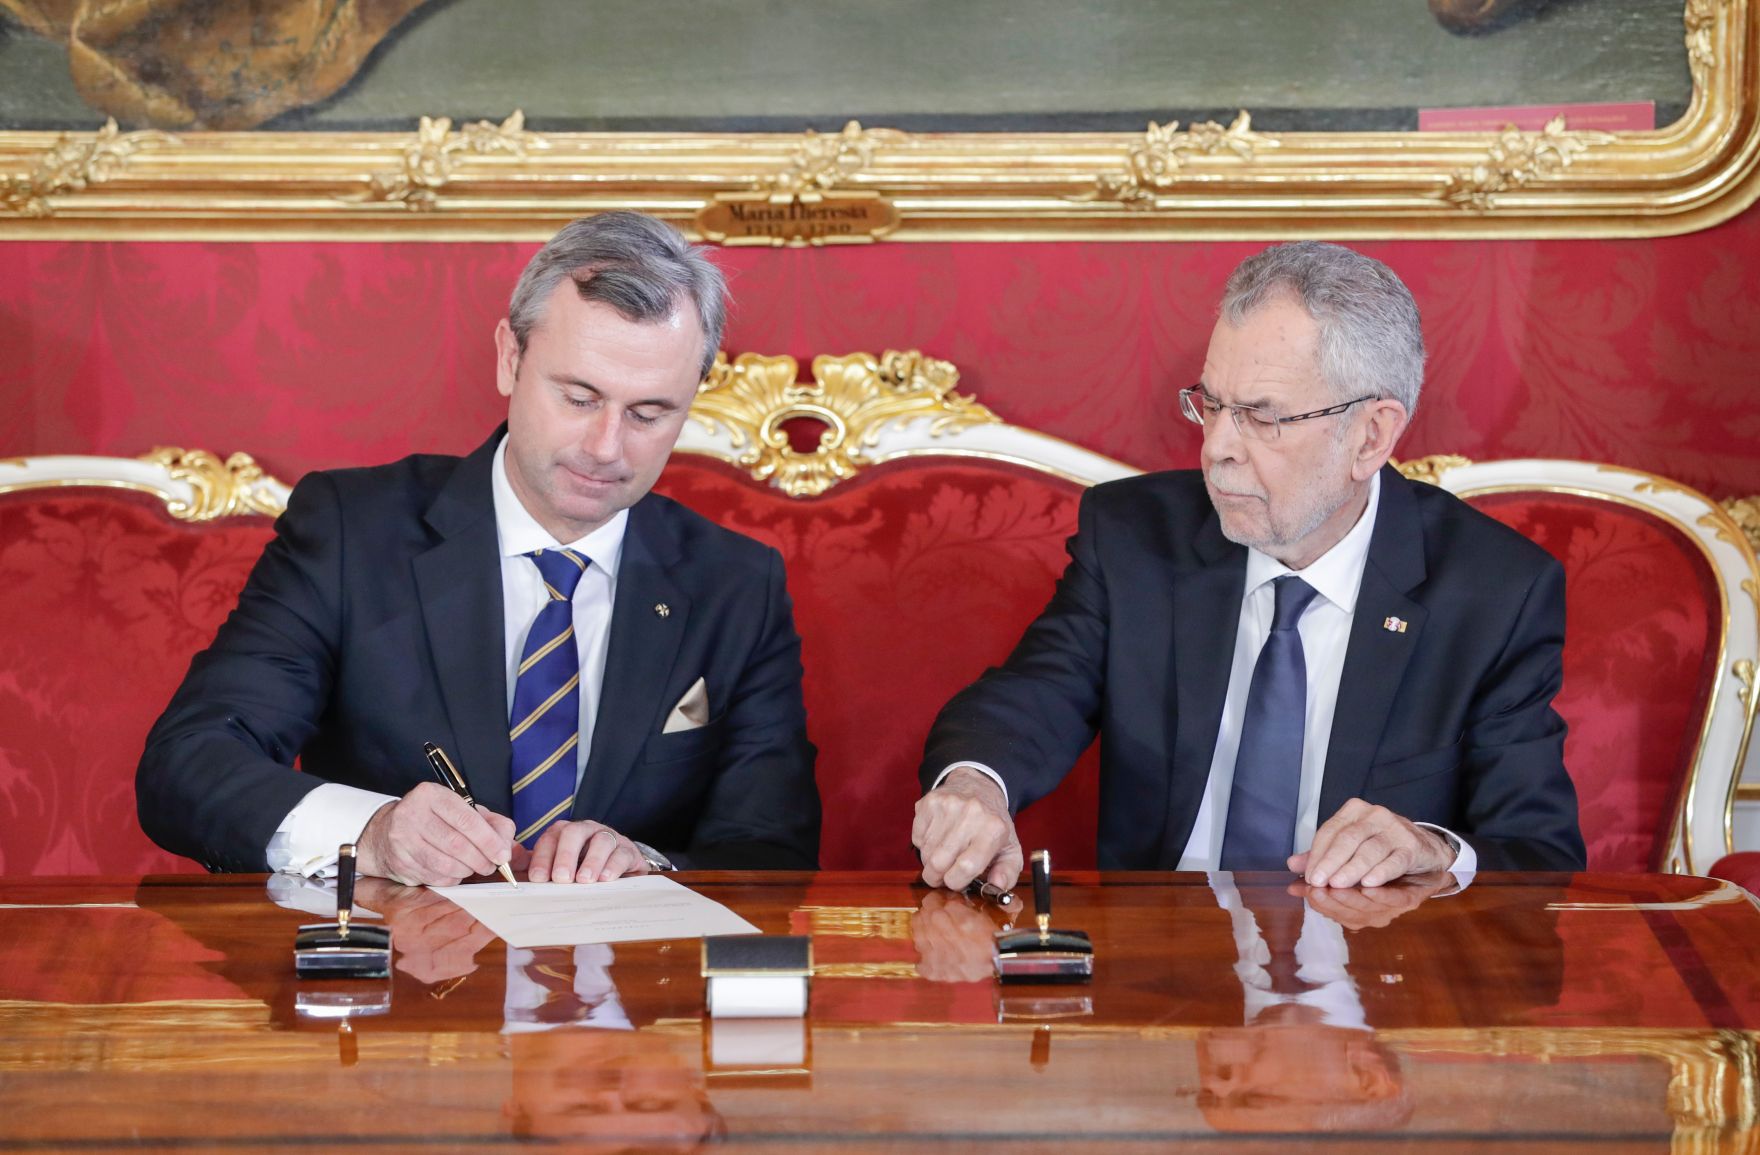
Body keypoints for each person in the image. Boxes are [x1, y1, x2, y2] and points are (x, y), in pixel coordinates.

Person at [138, 211, 819, 885]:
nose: (607, 448)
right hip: (397, 973)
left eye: (649, 414)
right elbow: (190, 762)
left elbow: (772, 853)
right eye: (579, 398)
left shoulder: (737, 584)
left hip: (624, 984)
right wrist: (371, 834)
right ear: (510, 358)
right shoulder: (352, 532)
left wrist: (655, 866)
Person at [912, 240, 1584, 892]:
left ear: (1371, 436)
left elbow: (1539, 851)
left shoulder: (1494, 593)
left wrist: (1433, 850)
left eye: (1262, 418)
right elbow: (1033, 696)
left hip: (1371, 984)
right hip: (1158, 977)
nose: (1217, 449)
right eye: (1211, 405)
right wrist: (975, 783)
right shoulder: (1135, 541)